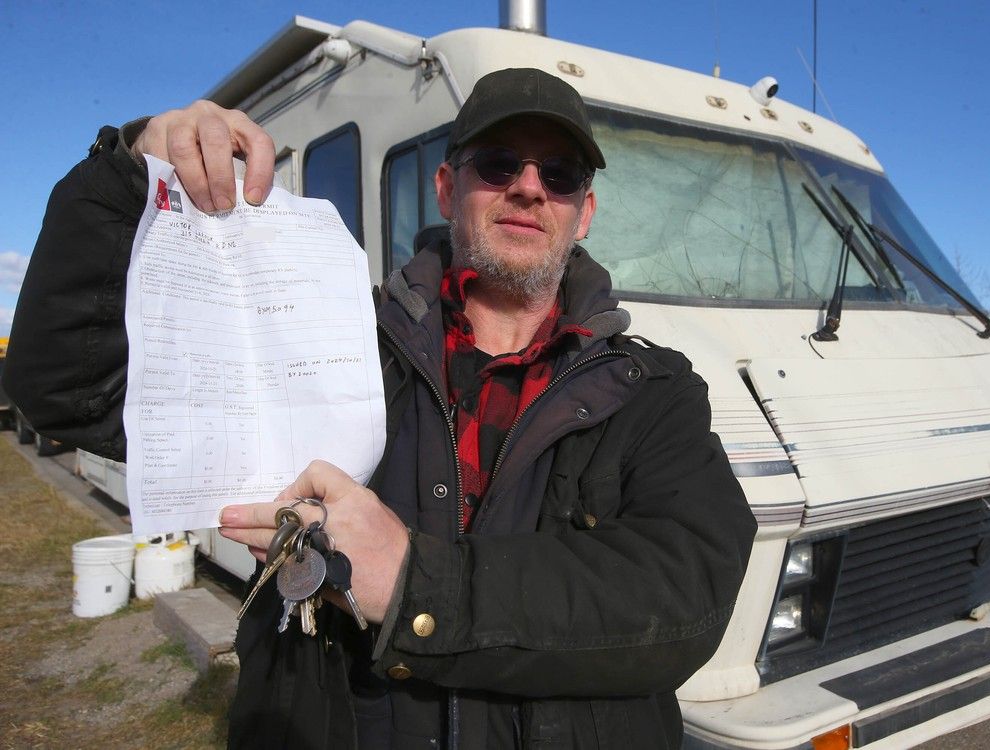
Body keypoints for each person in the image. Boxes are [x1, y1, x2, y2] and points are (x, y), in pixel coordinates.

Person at [4, 68, 756, 749]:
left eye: (558, 175)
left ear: (582, 212)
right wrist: (129, 175)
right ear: (445, 189)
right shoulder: (328, 342)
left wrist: (411, 582)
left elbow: (686, 596)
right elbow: (71, 390)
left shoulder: (654, 389)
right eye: (498, 164)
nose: (529, 188)